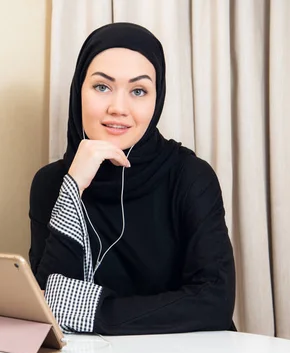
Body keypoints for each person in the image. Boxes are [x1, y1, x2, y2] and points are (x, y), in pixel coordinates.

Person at [28, 22, 236, 335]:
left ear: (157, 99)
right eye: (102, 87)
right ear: (78, 92)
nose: (118, 108)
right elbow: (48, 305)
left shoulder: (190, 177)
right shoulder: (51, 183)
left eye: (138, 91)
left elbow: (213, 301)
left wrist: (89, 311)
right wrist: (73, 187)